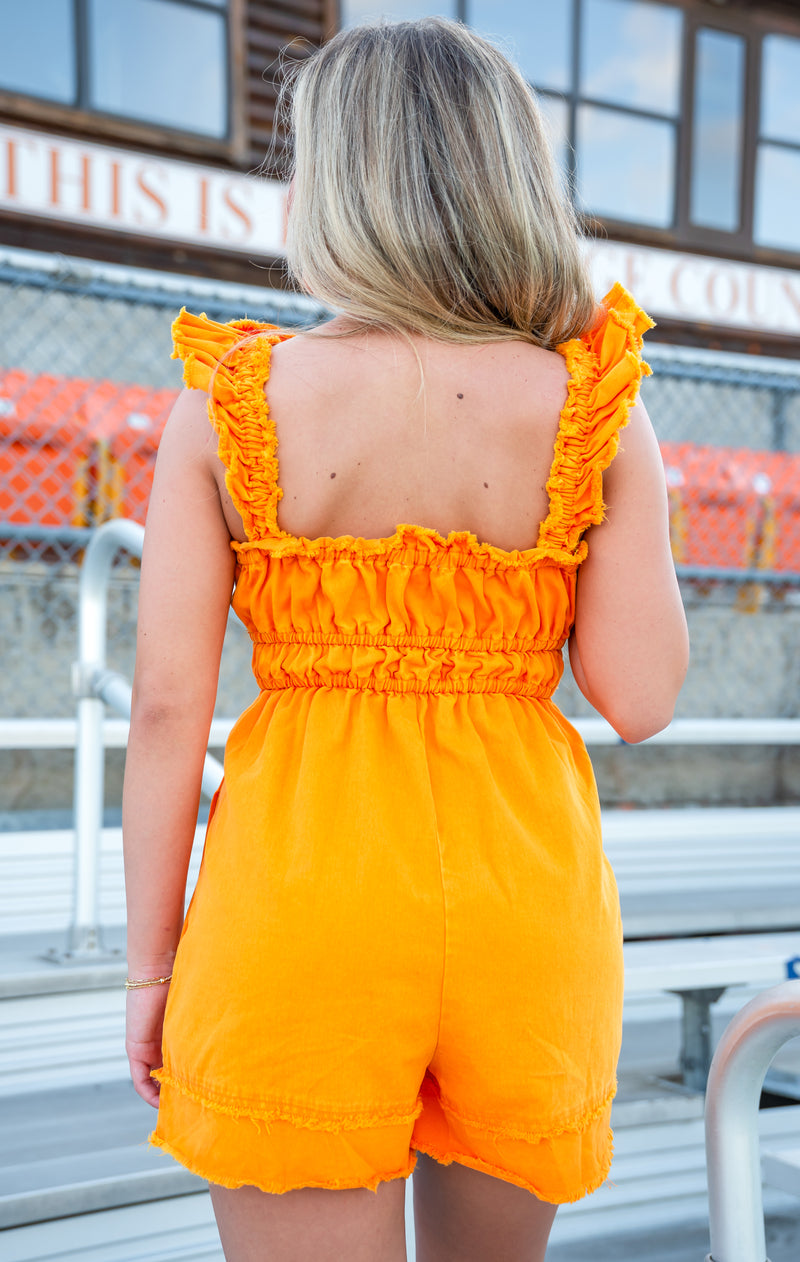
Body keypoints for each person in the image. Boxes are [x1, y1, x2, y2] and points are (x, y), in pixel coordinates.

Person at [122, 17, 689, 1262]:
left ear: (332, 181)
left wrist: (149, 970)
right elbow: (639, 696)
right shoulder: (595, 405)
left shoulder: (227, 409)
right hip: (521, 898)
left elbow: (167, 707)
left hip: (299, 894)